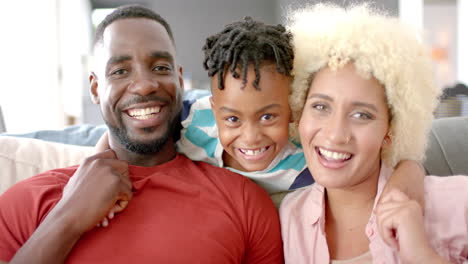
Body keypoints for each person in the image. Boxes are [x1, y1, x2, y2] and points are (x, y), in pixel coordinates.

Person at [0, 5, 283, 263]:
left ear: (180, 80)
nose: (145, 85)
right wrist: (67, 217)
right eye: (120, 71)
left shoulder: (244, 201)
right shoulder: (26, 203)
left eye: (161, 68)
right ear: (96, 89)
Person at [279, 3, 468, 264]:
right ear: (299, 113)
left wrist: (419, 253)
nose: (336, 134)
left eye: (362, 115)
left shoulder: (457, 201)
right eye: (320, 106)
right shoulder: (290, 216)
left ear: (390, 130)